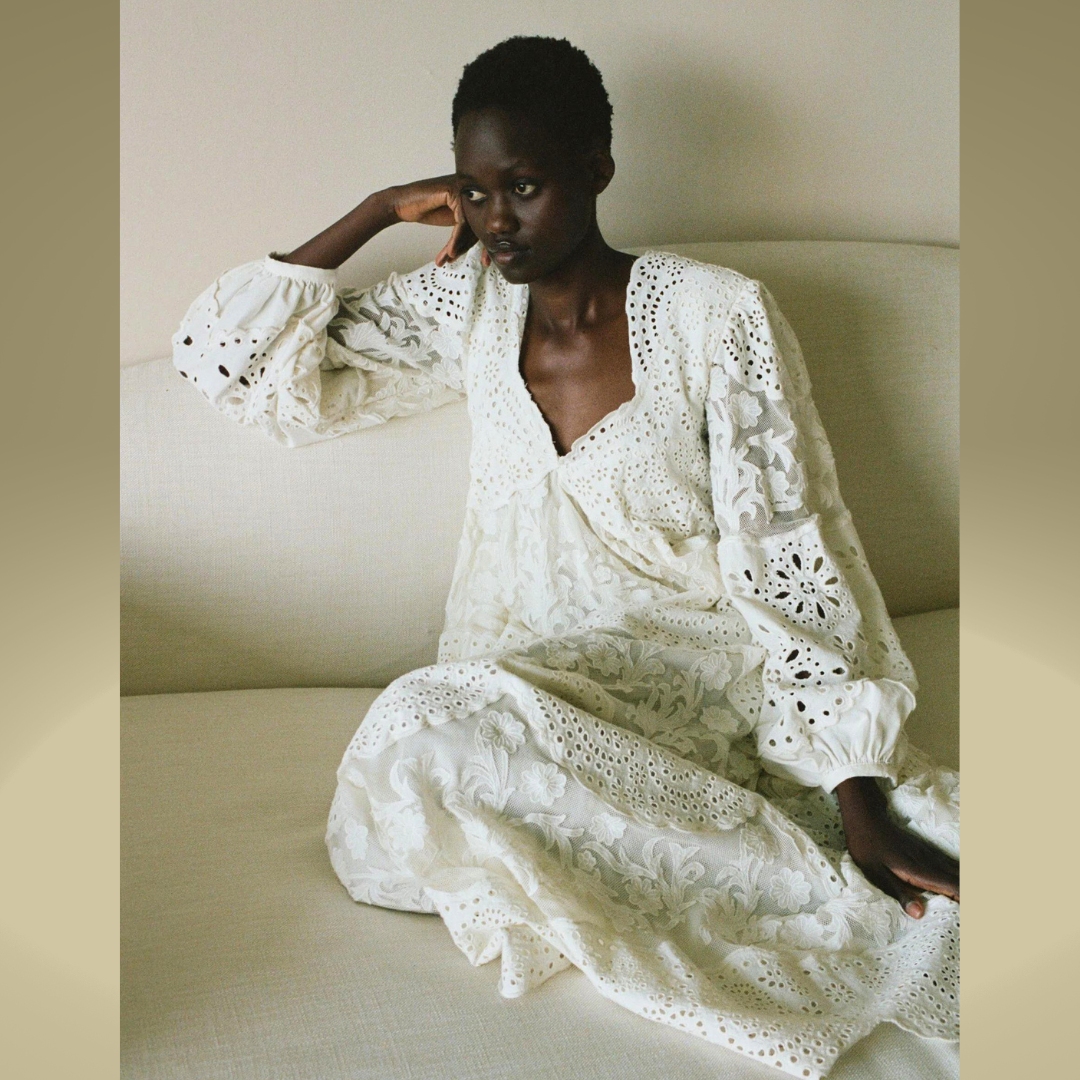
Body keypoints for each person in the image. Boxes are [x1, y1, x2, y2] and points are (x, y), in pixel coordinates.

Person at [172, 36, 958, 1079]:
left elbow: (792, 552)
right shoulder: (466, 308)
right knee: (401, 769)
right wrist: (374, 211)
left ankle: (806, 873)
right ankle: (714, 853)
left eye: (526, 187)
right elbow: (226, 363)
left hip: (689, 681)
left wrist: (856, 790)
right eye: (475, 191)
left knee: (420, 732)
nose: (497, 222)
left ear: (597, 168)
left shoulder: (714, 315)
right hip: (519, 692)